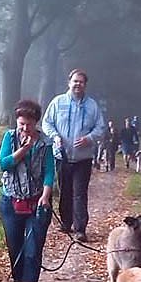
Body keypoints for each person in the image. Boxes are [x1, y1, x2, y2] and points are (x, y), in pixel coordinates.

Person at [42, 69, 105, 242]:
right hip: (61, 156)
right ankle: (66, 221)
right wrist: (55, 136)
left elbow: (100, 128)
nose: (78, 84)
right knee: (65, 190)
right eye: (75, 81)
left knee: (79, 193)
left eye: (81, 82)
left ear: (85, 85)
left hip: (83, 158)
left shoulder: (92, 106)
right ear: (69, 82)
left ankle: (80, 229)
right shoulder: (57, 102)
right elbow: (47, 123)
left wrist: (89, 138)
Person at [0, 99, 54, 282]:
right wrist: (24, 149)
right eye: (21, 124)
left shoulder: (46, 143)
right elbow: (4, 164)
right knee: (15, 249)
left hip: (37, 202)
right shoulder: (10, 137)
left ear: (36, 123)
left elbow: (49, 171)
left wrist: (46, 196)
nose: (24, 128)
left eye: (29, 124)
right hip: (11, 201)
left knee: (33, 251)